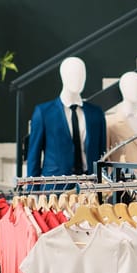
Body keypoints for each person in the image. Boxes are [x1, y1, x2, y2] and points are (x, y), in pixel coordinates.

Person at [27, 57, 107, 189]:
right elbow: (34, 157)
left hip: (89, 187)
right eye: (73, 74)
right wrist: (32, 193)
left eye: (82, 74)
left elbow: (102, 154)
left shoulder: (96, 113)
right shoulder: (44, 112)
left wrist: (102, 185)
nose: (79, 78)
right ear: (63, 76)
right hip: (54, 187)